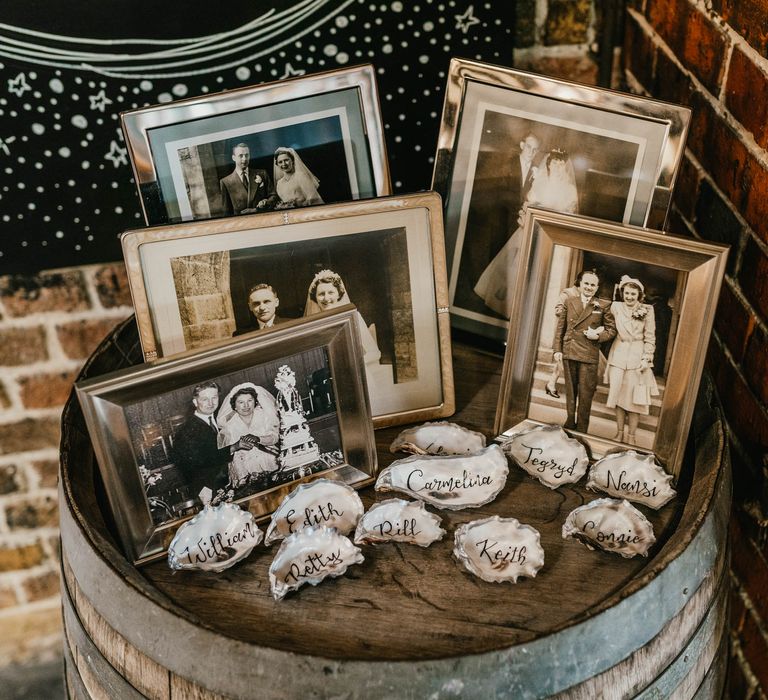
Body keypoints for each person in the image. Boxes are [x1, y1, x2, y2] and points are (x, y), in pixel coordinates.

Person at [473, 148, 579, 318]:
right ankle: (509, 306)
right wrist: (526, 217)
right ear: (549, 164)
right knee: (517, 267)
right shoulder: (540, 183)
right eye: (554, 163)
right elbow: (527, 206)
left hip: (552, 239)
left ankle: (531, 311)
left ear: (565, 167)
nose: (557, 168)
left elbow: (569, 217)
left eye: (561, 165)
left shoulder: (569, 191)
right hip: (531, 233)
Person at [553, 269, 616, 433]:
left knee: (586, 395)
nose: (589, 287)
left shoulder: (603, 305)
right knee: (571, 392)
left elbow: (611, 330)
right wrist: (557, 350)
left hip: (589, 355)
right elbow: (561, 328)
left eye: (593, 285)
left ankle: (581, 429)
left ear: (597, 288)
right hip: (569, 350)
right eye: (586, 283)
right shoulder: (570, 301)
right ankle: (569, 424)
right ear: (580, 284)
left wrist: (598, 336)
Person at [171, 382, 253, 503]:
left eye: (214, 397)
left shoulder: (219, 422)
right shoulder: (187, 430)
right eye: (205, 399)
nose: (211, 403)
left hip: (227, 486)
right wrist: (234, 447)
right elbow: (202, 459)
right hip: (207, 491)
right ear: (195, 402)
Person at [604, 275, 659, 445]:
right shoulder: (616, 306)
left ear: (639, 295)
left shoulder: (647, 310)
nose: (629, 297)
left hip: (637, 357)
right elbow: (594, 305)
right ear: (622, 293)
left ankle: (632, 436)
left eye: (633, 294)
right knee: (619, 397)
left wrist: (646, 358)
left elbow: (650, 336)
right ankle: (619, 433)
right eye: (626, 293)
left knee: (635, 400)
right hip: (618, 355)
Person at [304, 269, 381, 365]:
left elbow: (375, 353)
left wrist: (352, 363)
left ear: (338, 294)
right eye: (321, 294)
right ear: (315, 297)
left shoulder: (353, 317)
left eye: (331, 292)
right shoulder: (312, 324)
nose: (326, 298)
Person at [217, 383, 280, 487]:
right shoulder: (228, 426)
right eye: (241, 402)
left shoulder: (264, 416)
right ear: (234, 405)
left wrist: (258, 438)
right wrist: (237, 446)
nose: (246, 406)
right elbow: (224, 453)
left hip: (269, 462)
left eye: (249, 401)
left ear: (255, 401)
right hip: (244, 469)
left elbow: (275, 437)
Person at [219, 143, 278, 216]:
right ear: (233, 158)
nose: (244, 159)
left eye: (247, 155)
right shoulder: (226, 182)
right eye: (241, 156)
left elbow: (274, 197)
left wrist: (265, 202)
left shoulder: (262, 174)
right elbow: (227, 212)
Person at [544, 285, 579, 399]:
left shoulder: (584, 295)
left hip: (577, 335)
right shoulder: (567, 293)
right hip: (565, 331)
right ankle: (551, 384)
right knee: (561, 360)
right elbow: (558, 310)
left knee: (563, 360)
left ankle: (551, 384)